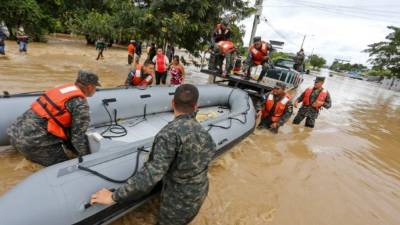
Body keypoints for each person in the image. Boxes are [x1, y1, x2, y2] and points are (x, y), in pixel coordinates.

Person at [90, 84, 216, 225]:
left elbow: (150, 175)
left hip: (178, 204)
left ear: (172, 103)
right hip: (199, 194)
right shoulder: (203, 132)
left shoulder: (169, 134)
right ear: (196, 106)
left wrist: (113, 197)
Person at [7, 71, 101, 166]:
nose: (95, 90)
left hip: (14, 134)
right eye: (95, 87)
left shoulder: (63, 89)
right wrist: (87, 158)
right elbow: (78, 138)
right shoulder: (80, 104)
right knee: (66, 166)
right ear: (89, 87)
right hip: (31, 144)